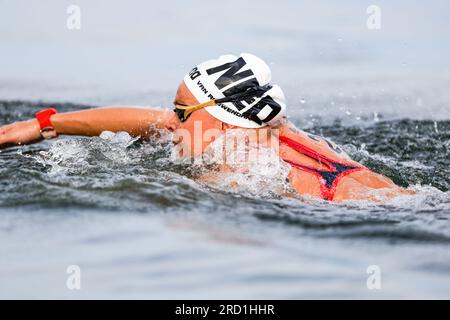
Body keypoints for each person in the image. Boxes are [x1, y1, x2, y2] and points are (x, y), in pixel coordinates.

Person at [0, 53, 410, 202]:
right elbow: (153, 120)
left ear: (218, 114)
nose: (170, 120)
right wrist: (45, 125)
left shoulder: (232, 169)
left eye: (181, 111)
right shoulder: (268, 130)